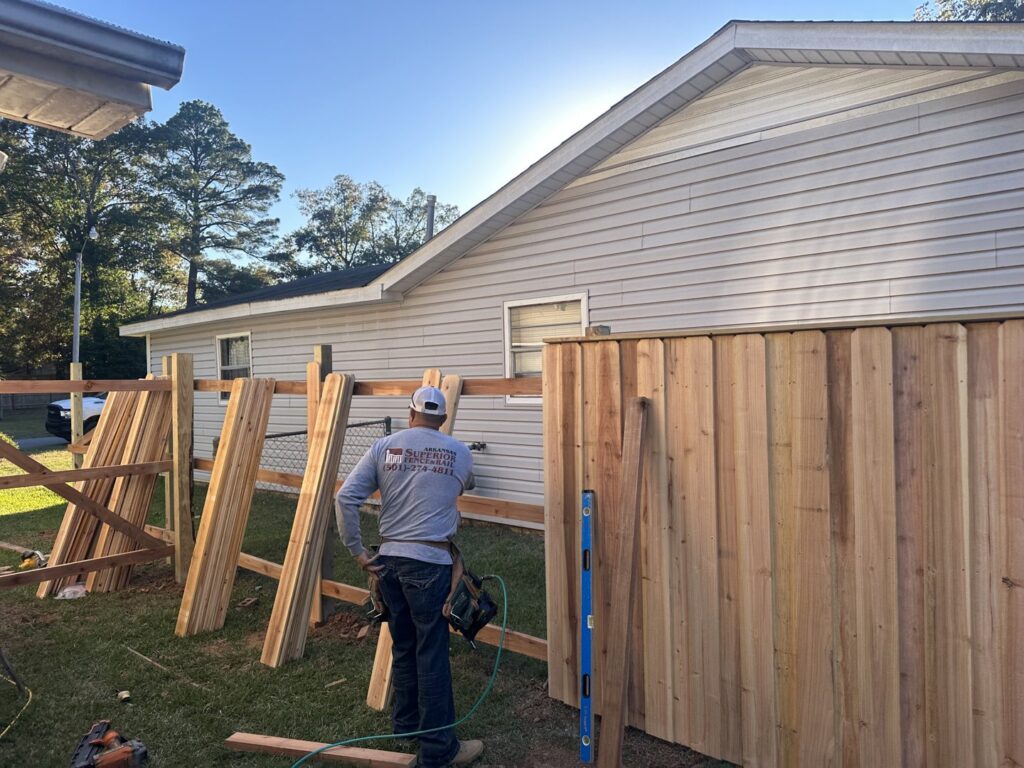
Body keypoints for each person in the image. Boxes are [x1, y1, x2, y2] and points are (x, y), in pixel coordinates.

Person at [335, 385, 483, 768]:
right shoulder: (460, 452)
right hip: (429, 563)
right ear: (443, 419)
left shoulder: (385, 447)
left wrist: (358, 552)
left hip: (389, 562)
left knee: (403, 643)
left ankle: (405, 727)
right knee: (431, 652)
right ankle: (439, 750)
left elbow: (345, 497)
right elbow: (468, 482)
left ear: (411, 413)